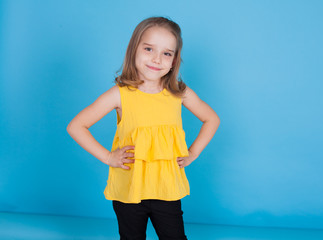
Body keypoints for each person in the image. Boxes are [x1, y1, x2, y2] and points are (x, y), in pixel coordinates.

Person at [67, 16, 220, 240]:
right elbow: (76, 126)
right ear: (134, 49)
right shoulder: (119, 94)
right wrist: (109, 157)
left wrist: (193, 153)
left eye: (167, 53)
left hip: (166, 189)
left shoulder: (179, 93)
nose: (157, 59)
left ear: (174, 60)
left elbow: (211, 119)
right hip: (129, 189)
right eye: (149, 49)